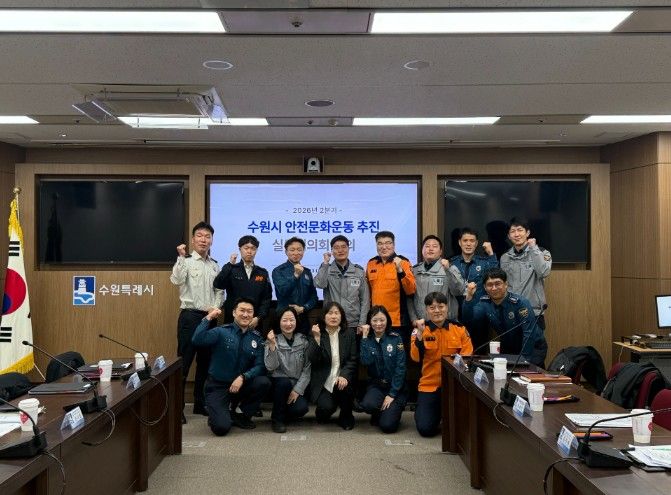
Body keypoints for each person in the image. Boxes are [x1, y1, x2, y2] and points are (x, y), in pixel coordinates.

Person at [192, 298, 271, 436]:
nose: (245, 315)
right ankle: (220, 412)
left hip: (241, 385)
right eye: (242, 311)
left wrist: (243, 377)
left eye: (249, 311)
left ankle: (239, 414)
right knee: (221, 428)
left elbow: (260, 366)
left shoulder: (256, 338)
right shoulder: (221, 332)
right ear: (234, 313)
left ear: (253, 315)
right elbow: (197, 339)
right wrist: (208, 318)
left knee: (263, 382)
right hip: (218, 386)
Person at [169, 221, 223, 419]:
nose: (203, 240)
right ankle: (178, 408)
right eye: (200, 236)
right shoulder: (186, 261)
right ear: (193, 240)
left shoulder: (215, 265)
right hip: (190, 317)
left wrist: (215, 308)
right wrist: (181, 257)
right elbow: (176, 280)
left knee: (205, 363)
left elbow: (219, 291)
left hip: (210, 318)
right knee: (184, 362)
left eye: (207, 236)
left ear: (212, 240)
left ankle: (200, 403)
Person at [410, 292, 473, 437]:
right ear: (426, 310)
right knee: (425, 429)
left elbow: (467, 357)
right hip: (429, 385)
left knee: (462, 429)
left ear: (447, 307)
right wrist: (420, 335)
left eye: (440, 306)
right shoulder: (420, 330)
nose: (437, 311)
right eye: (432, 308)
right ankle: (426, 411)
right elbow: (415, 357)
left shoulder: (459, 329)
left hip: (454, 385)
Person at [462, 268, 547, 366]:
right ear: (485, 287)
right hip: (510, 348)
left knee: (529, 374)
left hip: (533, 348)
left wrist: (523, 362)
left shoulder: (520, 303)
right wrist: (469, 297)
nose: (494, 288)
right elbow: (469, 320)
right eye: (490, 285)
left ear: (506, 284)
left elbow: (528, 334)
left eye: (497, 284)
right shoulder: (485, 303)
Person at [306, 302, 357, 430]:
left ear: (341, 316)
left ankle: (346, 416)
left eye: (336, 313)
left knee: (346, 387)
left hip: (341, 379)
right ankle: (326, 409)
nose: (333, 316)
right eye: (330, 313)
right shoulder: (316, 332)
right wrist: (317, 339)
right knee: (325, 410)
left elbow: (352, 359)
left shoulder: (349, 333)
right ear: (324, 316)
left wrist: (344, 375)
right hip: (325, 381)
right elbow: (313, 359)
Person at [359, 305, 407, 433]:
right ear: (369, 322)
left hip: (395, 388)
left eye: (382, 320)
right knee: (368, 405)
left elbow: (400, 368)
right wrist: (364, 337)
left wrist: (392, 394)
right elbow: (365, 361)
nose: (378, 324)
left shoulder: (395, 338)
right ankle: (380, 412)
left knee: (387, 426)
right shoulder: (367, 339)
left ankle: (392, 410)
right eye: (374, 320)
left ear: (387, 321)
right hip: (377, 386)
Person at [450, 228, 499, 351]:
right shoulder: (452, 263)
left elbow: (495, 275)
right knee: (457, 350)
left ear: (476, 243)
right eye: (465, 240)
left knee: (479, 350)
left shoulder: (484, 263)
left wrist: (491, 254)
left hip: (478, 315)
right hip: (457, 314)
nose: (468, 244)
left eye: (472, 241)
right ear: (459, 242)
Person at [264, 307, 311, 433]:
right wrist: (272, 345)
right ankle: (277, 419)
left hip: (296, 384)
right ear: (279, 321)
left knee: (301, 409)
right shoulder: (272, 339)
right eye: (285, 320)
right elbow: (270, 367)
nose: (289, 324)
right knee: (283, 382)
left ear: (296, 321)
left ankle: (284, 411)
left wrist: (297, 390)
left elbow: (307, 368)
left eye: (292, 320)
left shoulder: (303, 340)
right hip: (278, 385)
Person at [499, 217, 551, 329]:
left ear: (527, 233)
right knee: (512, 341)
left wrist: (533, 249)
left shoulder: (542, 252)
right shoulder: (505, 257)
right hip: (511, 310)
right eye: (513, 231)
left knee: (535, 341)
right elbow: (504, 284)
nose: (516, 234)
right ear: (509, 236)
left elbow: (544, 272)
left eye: (520, 230)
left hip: (534, 311)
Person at [213, 235, 272, 330]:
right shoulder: (231, 269)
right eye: (246, 248)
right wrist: (230, 264)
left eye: (253, 248)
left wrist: (259, 317)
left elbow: (266, 298)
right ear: (240, 249)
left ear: (256, 250)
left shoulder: (262, 272)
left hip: (254, 322)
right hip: (232, 321)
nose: (249, 251)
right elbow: (218, 284)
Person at [314, 235, 370, 333]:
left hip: (353, 323)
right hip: (332, 322)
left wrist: (361, 323)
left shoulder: (358, 271)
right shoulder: (327, 269)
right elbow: (319, 284)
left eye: (343, 247)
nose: (340, 250)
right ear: (332, 251)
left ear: (348, 249)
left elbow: (365, 300)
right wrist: (325, 263)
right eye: (336, 248)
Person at [409, 235, 465, 327]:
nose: (430, 249)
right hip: (422, 324)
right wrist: (413, 319)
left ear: (440, 251)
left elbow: (459, 291)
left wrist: (448, 270)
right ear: (422, 250)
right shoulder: (414, 270)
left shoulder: (449, 268)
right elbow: (409, 297)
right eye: (427, 246)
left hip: (445, 323)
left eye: (434, 246)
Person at [272, 237, 319, 335]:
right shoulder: (278, 271)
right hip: (283, 317)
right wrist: (296, 275)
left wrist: (304, 308)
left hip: (302, 318)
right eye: (292, 250)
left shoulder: (307, 272)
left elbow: (314, 297)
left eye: (299, 250)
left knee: (303, 343)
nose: (296, 253)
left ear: (303, 251)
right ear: (286, 252)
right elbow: (283, 291)